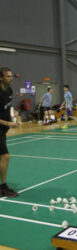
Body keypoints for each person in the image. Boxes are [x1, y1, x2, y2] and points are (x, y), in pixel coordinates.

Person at [0, 67, 21, 197]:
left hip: (3, 129)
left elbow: (9, 107)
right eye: (8, 76)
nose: (11, 78)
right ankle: (3, 187)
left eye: (11, 76)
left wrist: (15, 115)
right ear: (1, 78)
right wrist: (9, 123)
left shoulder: (9, 90)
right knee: (5, 156)